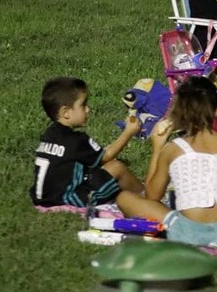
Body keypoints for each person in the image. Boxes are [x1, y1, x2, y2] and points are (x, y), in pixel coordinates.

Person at [117, 76, 217, 247]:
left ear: (178, 113)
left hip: (190, 234)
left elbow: (152, 196)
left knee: (124, 197)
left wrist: (157, 148)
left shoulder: (174, 149)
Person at [30, 76, 143, 207]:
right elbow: (106, 157)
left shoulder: (49, 134)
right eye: (83, 105)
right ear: (66, 112)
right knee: (117, 167)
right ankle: (148, 197)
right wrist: (128, 132)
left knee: (99, 171)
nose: (88, 109)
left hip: (43, 197)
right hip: (69, 200)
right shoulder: (76, 140)